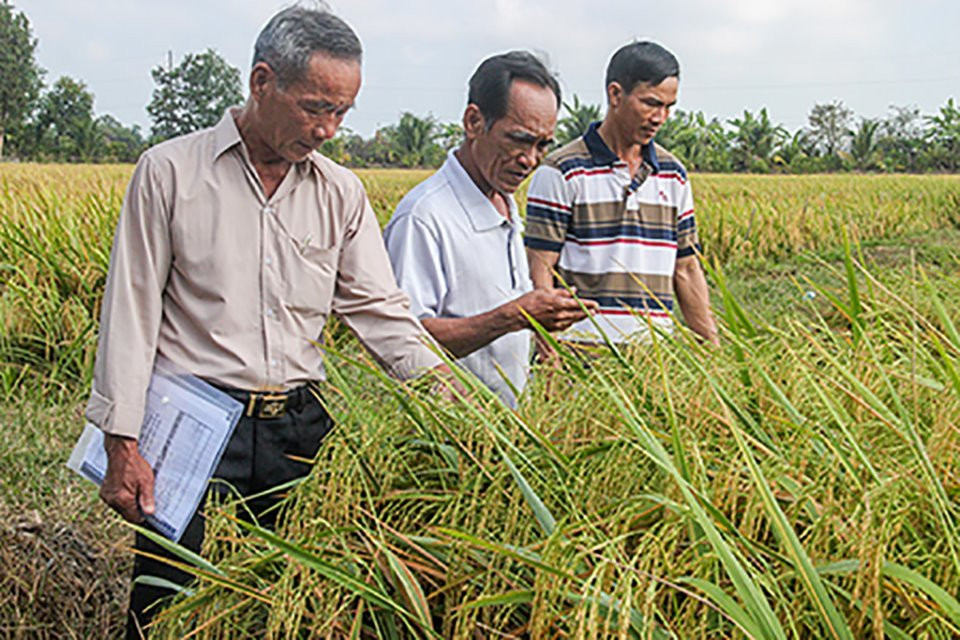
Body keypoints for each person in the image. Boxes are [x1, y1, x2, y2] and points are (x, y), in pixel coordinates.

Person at [85, 8, 444, 637]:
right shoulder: (169, 173)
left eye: (341, 113)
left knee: (293, 605)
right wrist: (122, 440)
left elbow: (381, 313)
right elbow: (132, 310)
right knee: (170, 604)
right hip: (195, 427)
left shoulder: (341, 193)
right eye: (314, 108)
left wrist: (453, 400)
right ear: (261, 81)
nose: (328, 129)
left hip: (299, 431)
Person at [383, 52, 596, 406]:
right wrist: (514, 316)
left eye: (542, 145)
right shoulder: (424, 217)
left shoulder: (506, 204)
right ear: (474, 122)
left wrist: (541, 330)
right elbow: (402, 340)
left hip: (502, 435)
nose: (530, 160)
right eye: (518, 139)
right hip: (447, 439)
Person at [524, 42, 718, 349]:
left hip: (656, 361)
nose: (660, 117)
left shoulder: (673, 174)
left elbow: (687, 269)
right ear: (615, 95)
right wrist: (549, 351)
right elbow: (539, 269)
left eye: (669, 107)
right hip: (581, 355)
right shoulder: (562, 171)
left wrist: (713, 354)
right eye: (651, 103)